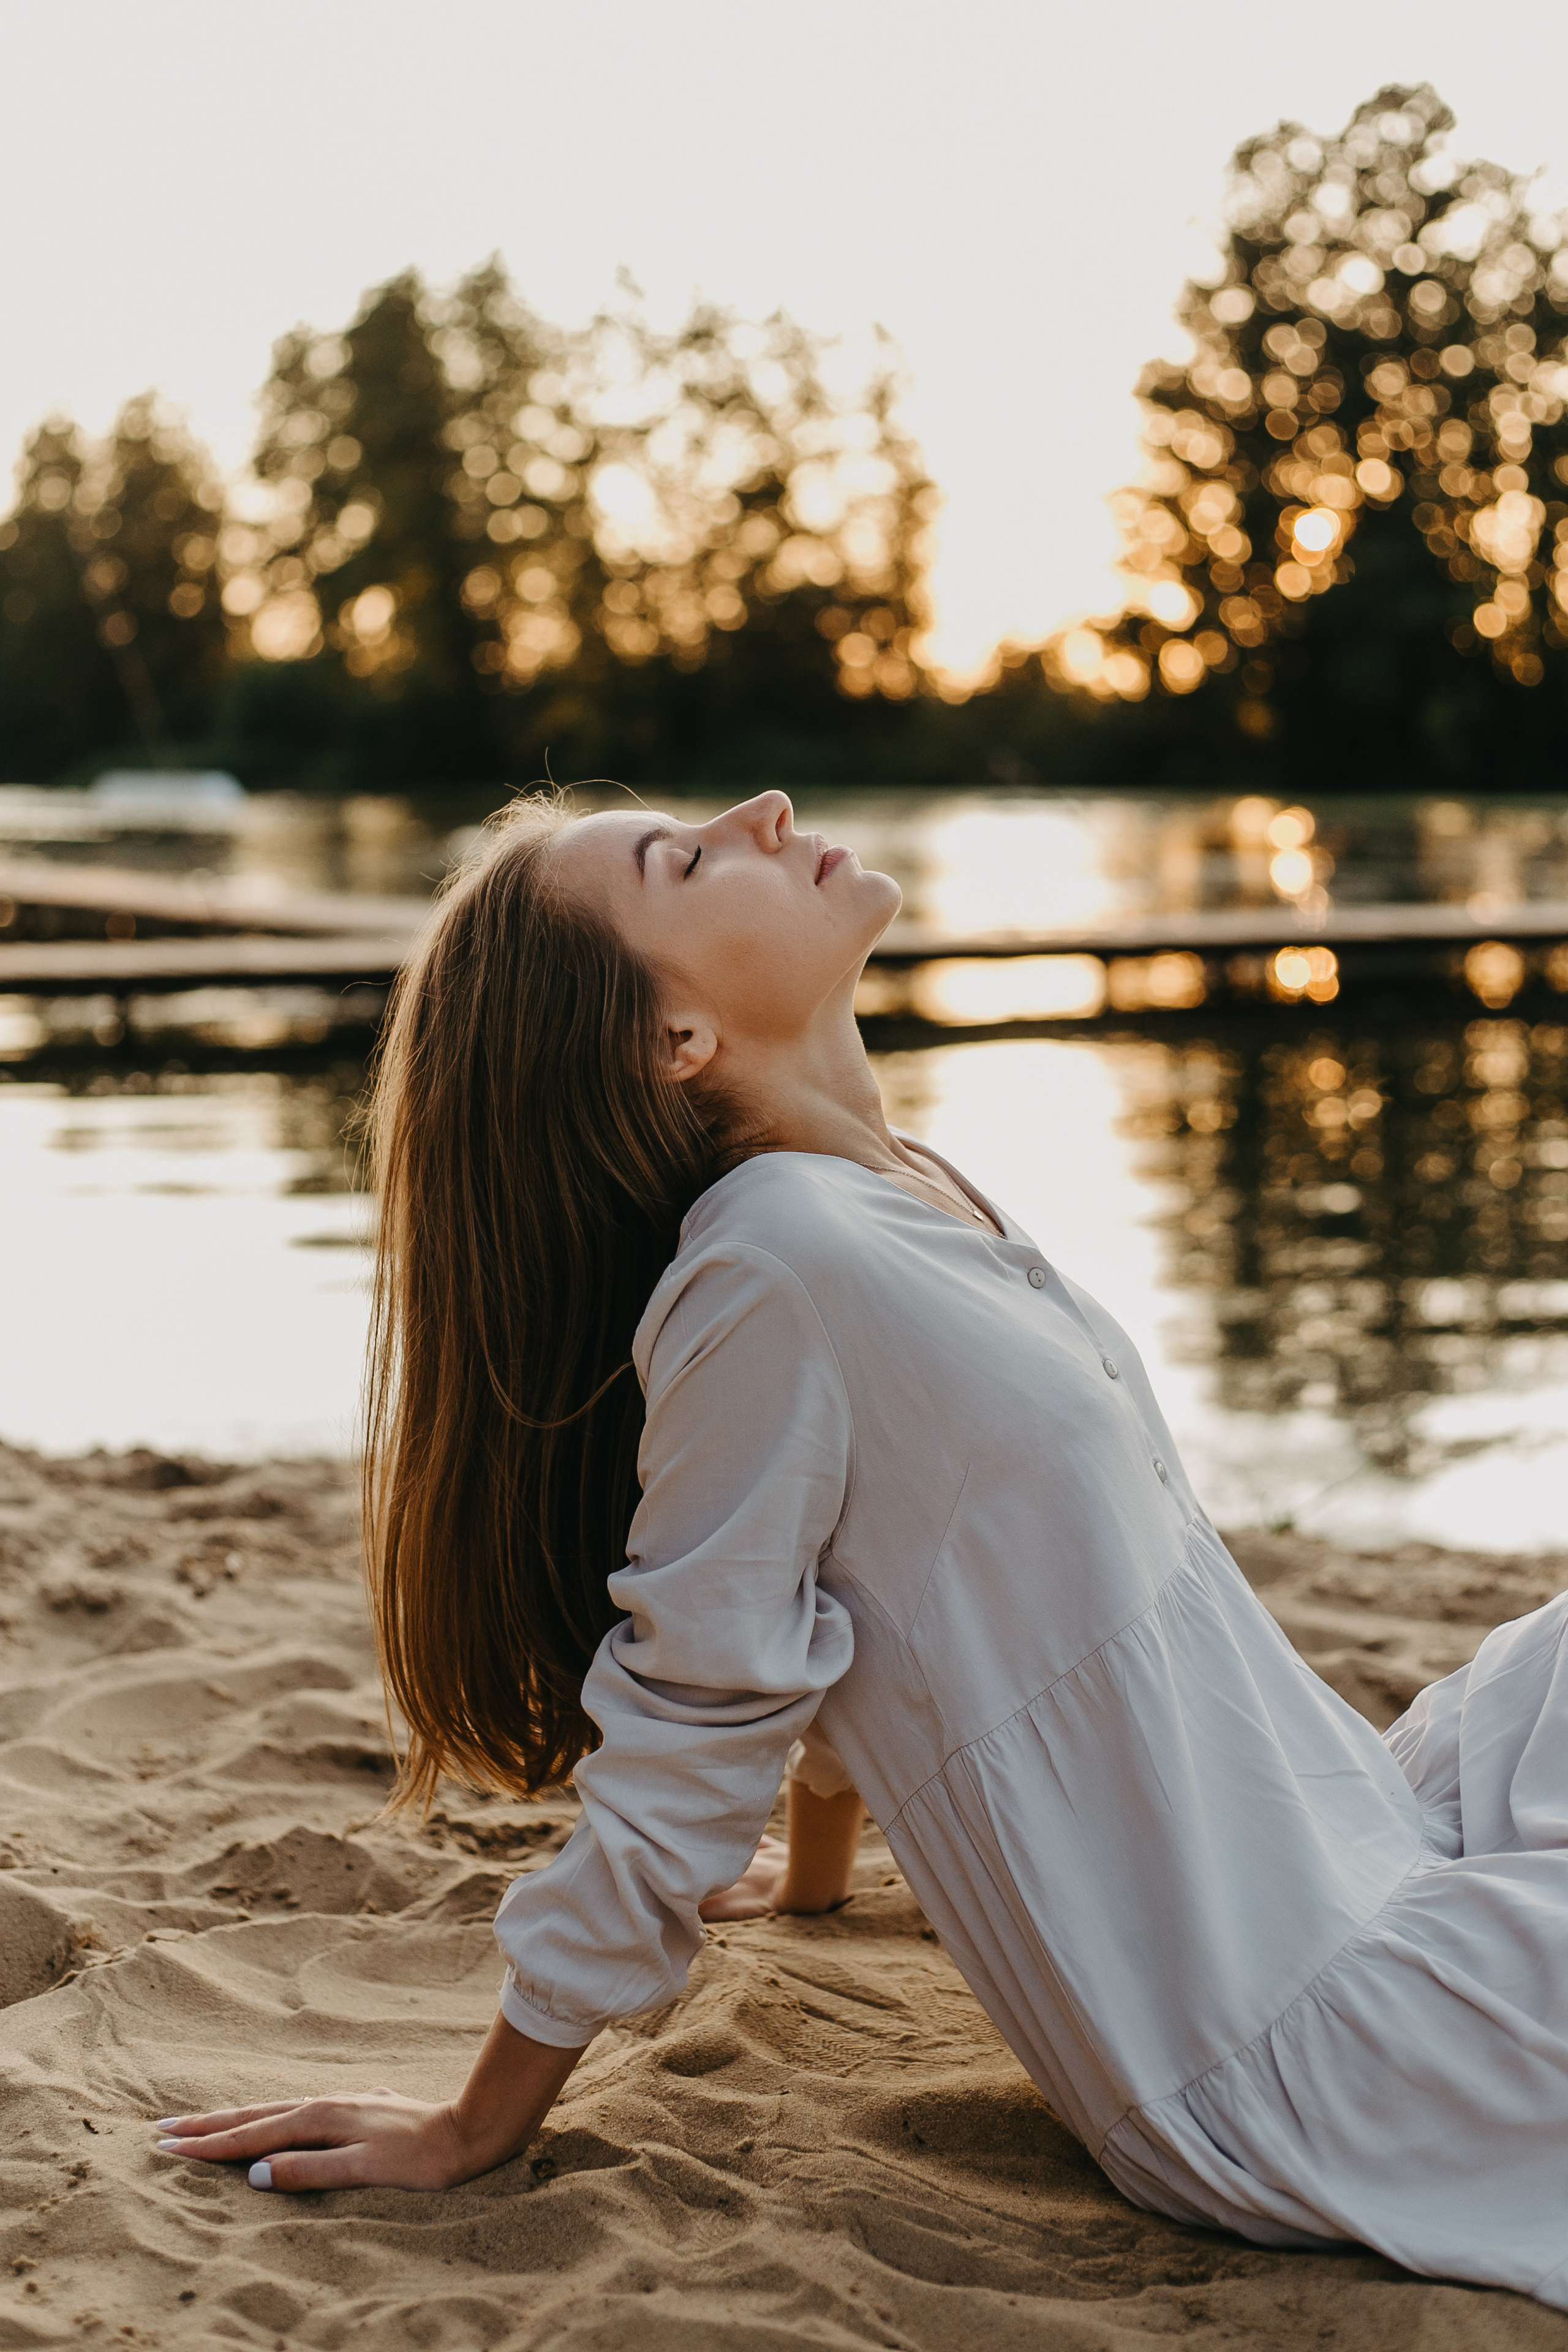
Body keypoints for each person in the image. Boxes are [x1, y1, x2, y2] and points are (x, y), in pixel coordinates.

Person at [156, 793, 1568, 2310]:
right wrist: (473, 2123)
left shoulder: (904, 1190)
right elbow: (698, 1697)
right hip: (1291, 2021)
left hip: (1363, 1825)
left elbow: (865, 1579)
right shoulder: (773, 1267)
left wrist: (817, 1874)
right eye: (683, 860)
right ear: (673, 1038)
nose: (759, 811)